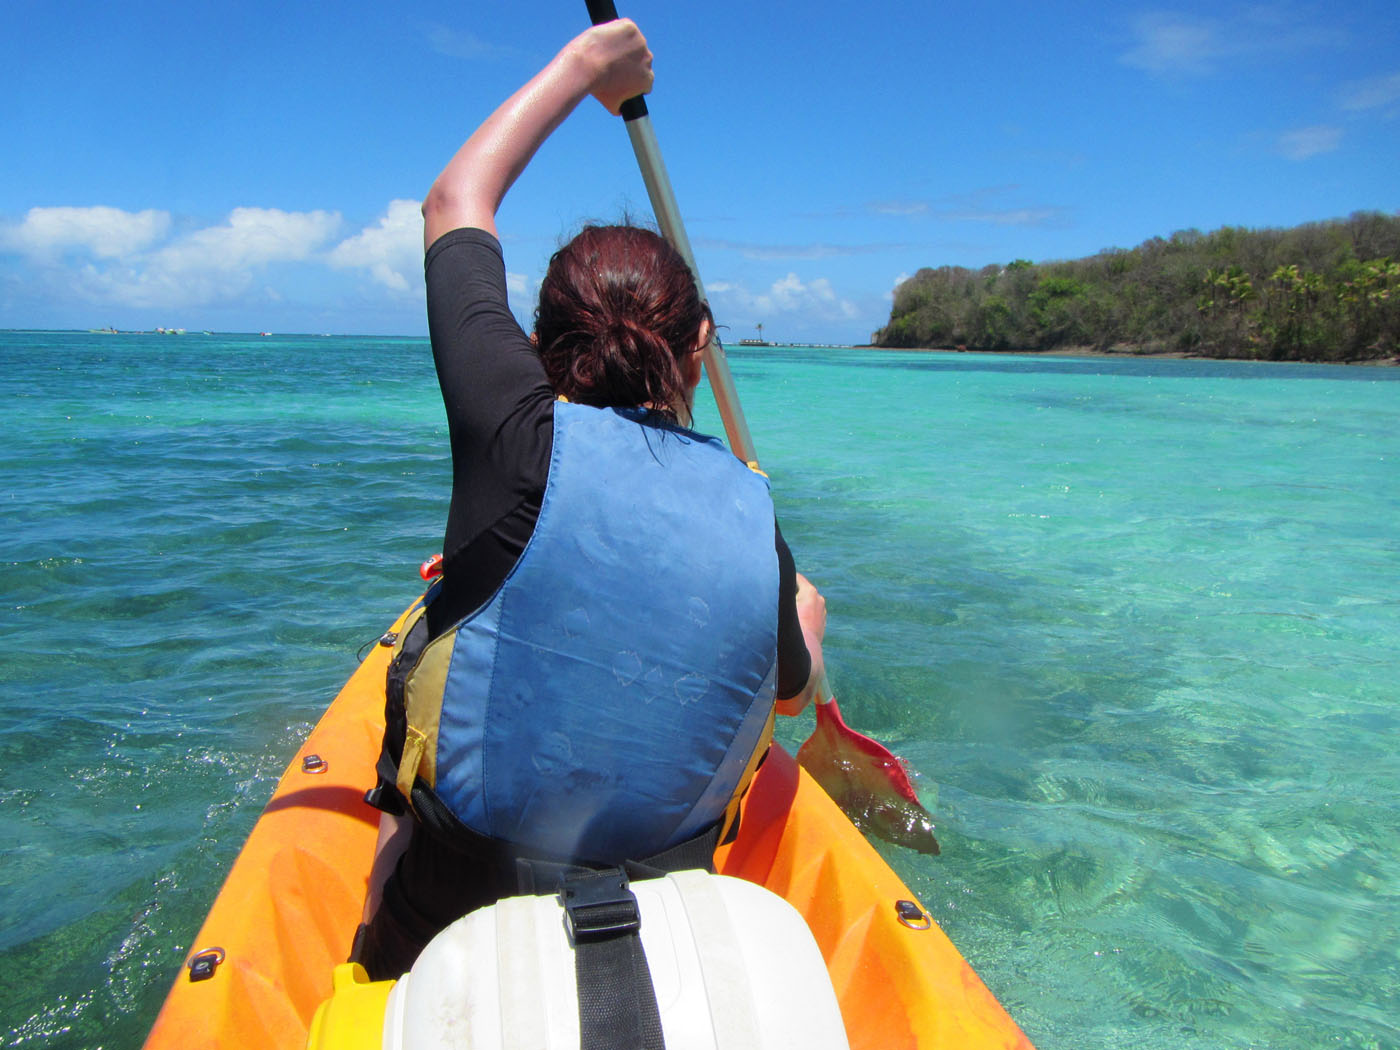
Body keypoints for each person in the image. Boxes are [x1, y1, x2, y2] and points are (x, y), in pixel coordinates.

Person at [352, 18, 827, 980]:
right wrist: (804, 615)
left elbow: (456, 200)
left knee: (403, 808)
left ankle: (368, 961)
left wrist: (586, 68)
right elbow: (790, 693)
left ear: (536, 340)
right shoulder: (750, 511)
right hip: (664, 919)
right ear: (700, 345)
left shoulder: (515, 438)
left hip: (457, 909)